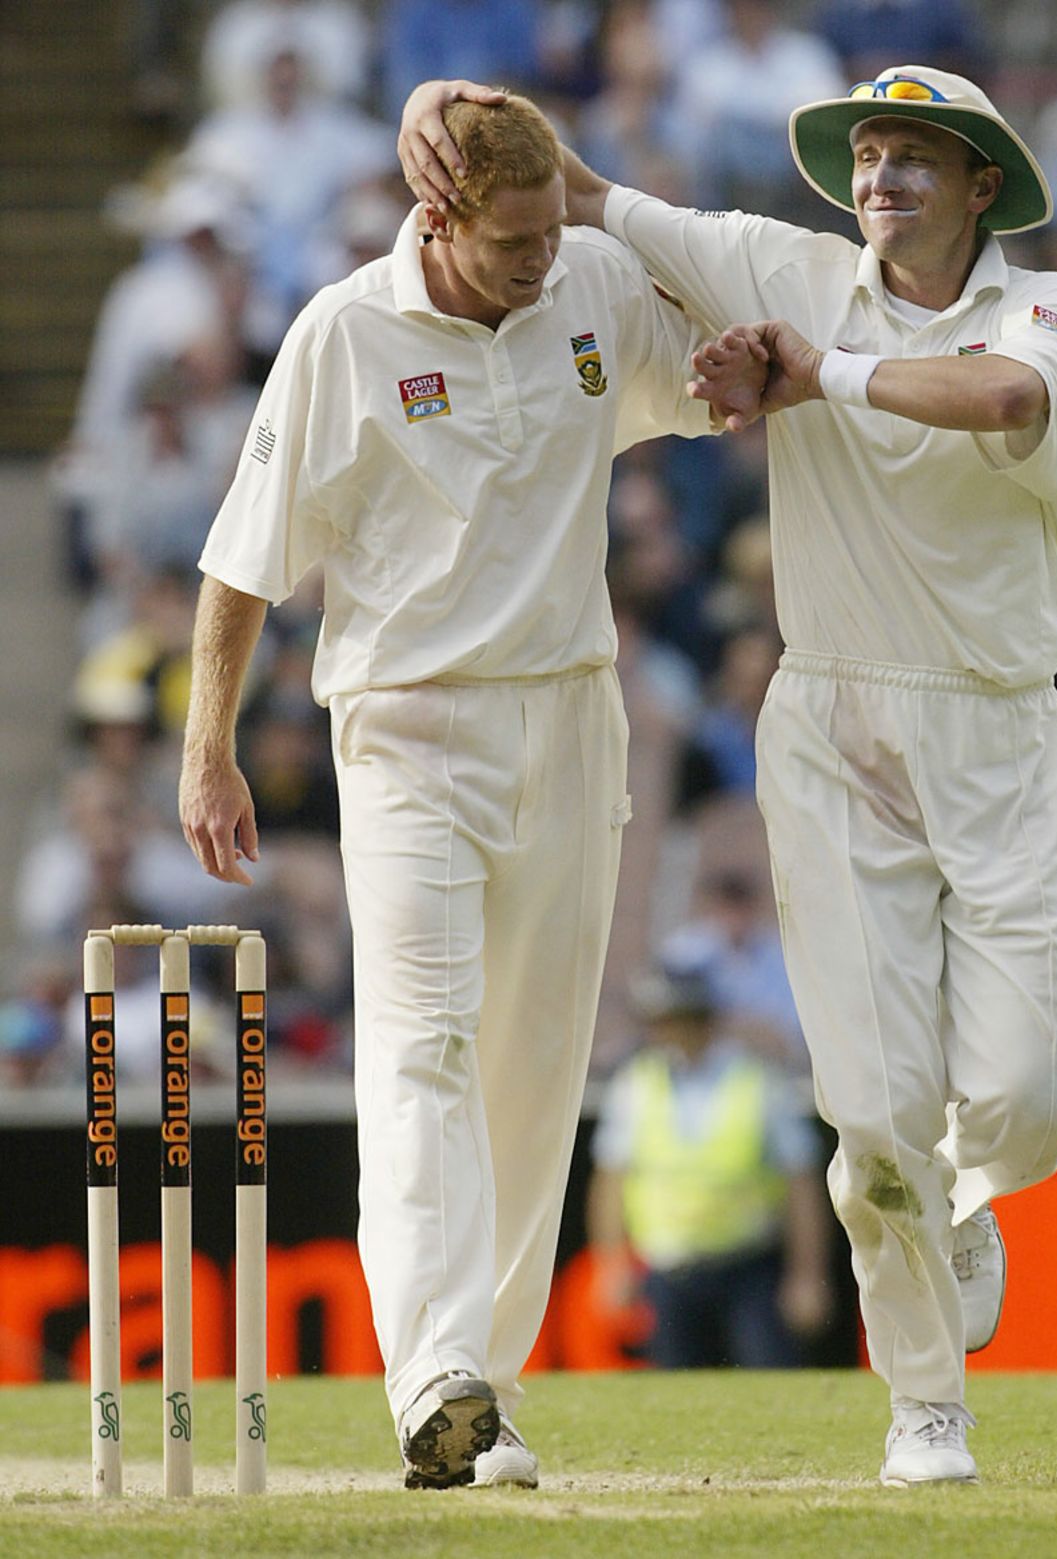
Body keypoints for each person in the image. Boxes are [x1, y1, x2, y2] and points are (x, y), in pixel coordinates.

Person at [399, 64, 1057, 1486]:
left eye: (919, 157)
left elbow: (996, 395)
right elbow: (593, 197)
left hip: (998, 727)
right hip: (833, 725)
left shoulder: (1046, 310)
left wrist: (816, 374)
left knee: (1036, 1090)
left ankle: (975, 1194)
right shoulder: (780, 263)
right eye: (870, 153)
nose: (884, 176)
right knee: (873, 1105)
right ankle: (926, 1406)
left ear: (983, 187)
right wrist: (449, 108)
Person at [178, 93, 740, 1491]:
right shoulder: (343, 332)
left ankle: (480, 1396)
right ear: (436, 218)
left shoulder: (590, 272)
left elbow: (707, 371)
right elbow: (244, 559)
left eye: (553, 229)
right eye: (512, 241)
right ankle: (433, 1367)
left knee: (535, 1075)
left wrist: (742, 355)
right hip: (409, 729)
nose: (543, 258)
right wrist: (209, 743)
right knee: (421, 1039)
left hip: (569, 717)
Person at [588, 948, 831, 1368]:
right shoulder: (635, 1086)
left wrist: (806, 1275)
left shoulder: (758, 1081)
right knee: (672, 1392)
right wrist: (612, 1265)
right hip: (669, 1270)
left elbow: (801, 1183)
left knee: (772, 1382)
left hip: (749, 1265)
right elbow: (611, 1180)